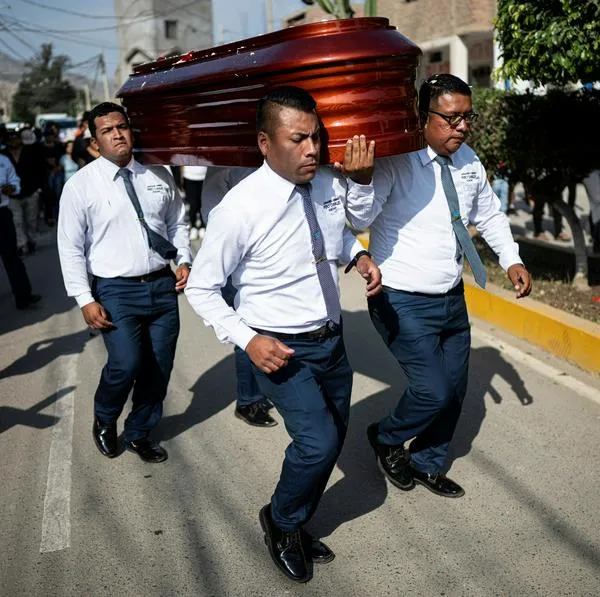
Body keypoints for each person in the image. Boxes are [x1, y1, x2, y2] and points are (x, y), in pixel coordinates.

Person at [185, 86, 381, 583]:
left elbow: (342, 229)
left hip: (331, 340)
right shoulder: (239, 208)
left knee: (333, 439)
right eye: (298, 139)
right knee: (316, 443)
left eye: (316, 137)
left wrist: (356, 249)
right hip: (279, 349)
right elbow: (203, 289)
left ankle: (295, 517)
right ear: (265, 143)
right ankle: (282, 522)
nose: (313, 148)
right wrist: (248, 340)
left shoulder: (325, 184)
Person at [345, 74, 533, 499]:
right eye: (451, 119)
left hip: (450, 297)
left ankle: (427, 461)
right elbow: (358, 220)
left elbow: (490, 216)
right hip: (401, 299)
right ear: (422, 117)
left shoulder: (469, 162)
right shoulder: (396, 161)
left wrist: (513, 259)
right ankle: (387, 437)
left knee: (456, 391)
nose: (461, 127)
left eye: (467, 117)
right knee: (434, 389)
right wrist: (359, 180)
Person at [57, 102, 192, 463]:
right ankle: (105, 414)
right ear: (95, 141)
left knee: (159, 366)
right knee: (126, 363)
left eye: (122, 126)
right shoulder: (80, 186)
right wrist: (85, 299)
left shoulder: (157, 174)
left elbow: (178, 222)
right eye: (107, 130)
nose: (117, 134)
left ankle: (139, 432)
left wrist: (183, 259)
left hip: (162, 286)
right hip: (116, 289)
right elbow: (69, 248)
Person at [201, 166, 277, 427]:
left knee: (273, 327)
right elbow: (213, 217)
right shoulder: (222, 170)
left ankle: (267, 389)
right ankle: (248, 401)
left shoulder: (273, 163)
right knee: (248, 334)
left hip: (272, 265)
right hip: (239, 266)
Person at [0, 153, 42, 309]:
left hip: (2, 214)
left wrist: (11, 188)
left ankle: (23, 296)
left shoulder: (3, 160)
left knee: (12, 257)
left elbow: (14, 181)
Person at [3, 130, 46, 255]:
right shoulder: (4, 156)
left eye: (15, 138)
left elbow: (40, 171)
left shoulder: (30, 152)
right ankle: (22, 244)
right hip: (12, 195)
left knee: (31, 219)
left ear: (20, 139)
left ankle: (32, 240)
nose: (13, 141)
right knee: (17, 221)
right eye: (10, 139)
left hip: (31, 191)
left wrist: (39, 189)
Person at [181, 165, 207, 240]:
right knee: (193, 203)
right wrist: (181, 176)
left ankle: (202, 225)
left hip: (204, 175)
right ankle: (193, 226)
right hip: (189, 176)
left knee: (202, 202)